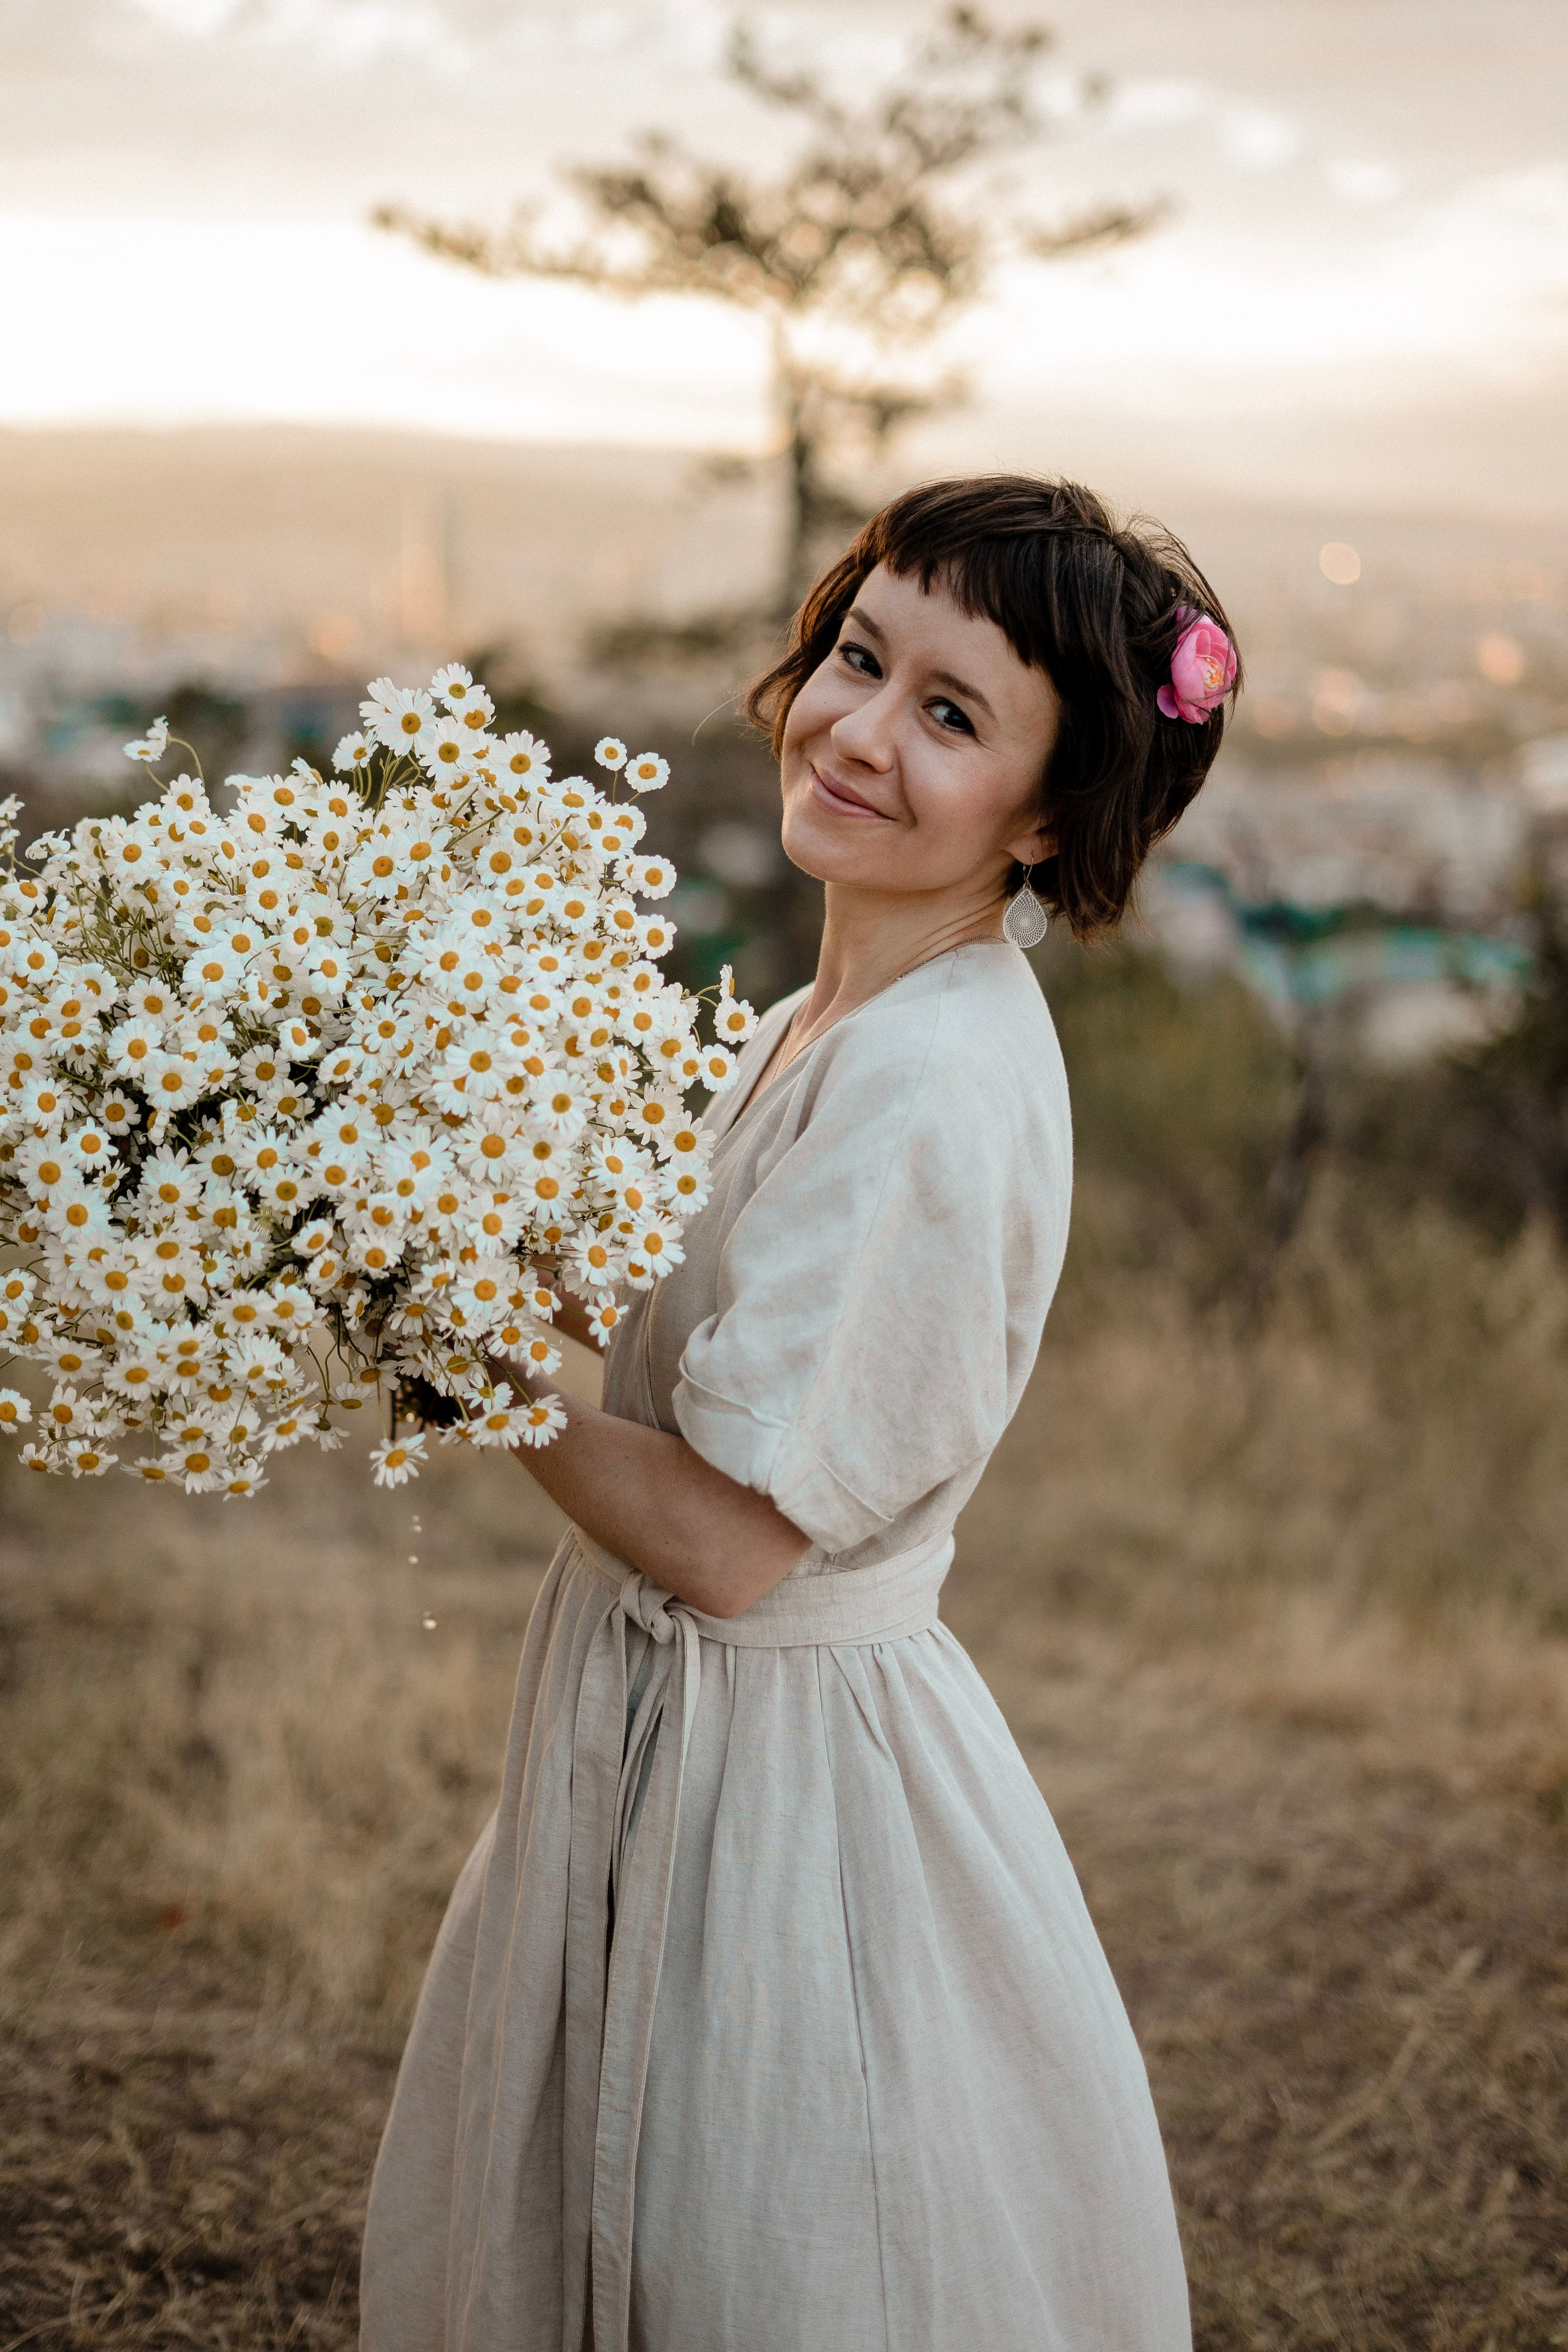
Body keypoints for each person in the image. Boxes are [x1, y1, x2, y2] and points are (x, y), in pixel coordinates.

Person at [360, 474, 1240, 2352]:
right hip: (678, 1723)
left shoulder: (930, 1083)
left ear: (1054, 813)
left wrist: (469, 1358)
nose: (855, 728)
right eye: (861, 655)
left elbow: (731, 1541)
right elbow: (688, 1303)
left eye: (951, 715)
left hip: (780, 1769)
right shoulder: (818, 1022)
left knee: (772, 2226)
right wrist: (390, 1166)